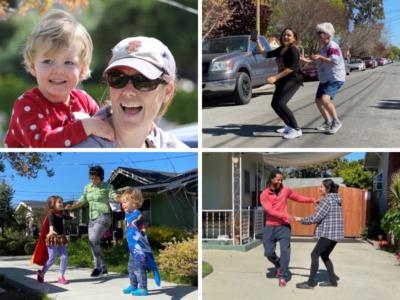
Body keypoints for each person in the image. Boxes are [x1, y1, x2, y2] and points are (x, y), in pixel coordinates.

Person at [4, 9, 114, 148]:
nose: (58, 70)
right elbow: (43, 146)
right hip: (27, 169)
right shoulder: (27, 105)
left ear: (82, 69)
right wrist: (84, 127)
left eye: (69, 62)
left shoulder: (84, 101)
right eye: (48, 61)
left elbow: (103, 130)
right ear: (32, 66)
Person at [72, 36, 189, 148]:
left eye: (143, 81)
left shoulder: (182, 155)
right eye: (118, 78)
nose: (128, 91)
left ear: (167, 92)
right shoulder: (74, 150)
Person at [260, 169, 318, 287]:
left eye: (282, 180)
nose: (280, 182)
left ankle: (282, 276)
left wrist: (312, 200)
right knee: (268, 253)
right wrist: (287, 215)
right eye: (278, 180)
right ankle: (278, 264)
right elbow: (270, 211)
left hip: (284, 227)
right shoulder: (264, 195)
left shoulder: (285, 190)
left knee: (285, 252)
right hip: (270, 226)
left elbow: (297, 198)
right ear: (272, 179)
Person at [65, 165, 119, 277]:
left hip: (104, 215)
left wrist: (119, 197)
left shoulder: (108, 186)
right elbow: (82, 199)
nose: (94, 181)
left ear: (101, 177)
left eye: (96, 179)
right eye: (92, 178)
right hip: (92, 218)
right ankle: (103, 268)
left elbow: (113, 195)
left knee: (94, 238)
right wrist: (72, 206)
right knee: (93, 242)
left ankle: (97, 267)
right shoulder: (87, 187)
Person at [252, 28, 304, 139]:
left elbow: (291, 68)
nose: (286, 37)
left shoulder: (293, 50)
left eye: (289, 35)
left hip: (293, 79)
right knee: (274, 104)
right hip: (283, 79)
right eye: (284, 35)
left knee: (281, 103)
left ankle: (296, 129)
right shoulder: (282, 48)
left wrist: (275, 77)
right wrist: (257, 43)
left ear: (294, 38)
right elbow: (266, 54)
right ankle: (289, 125)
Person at [294, 179, 344, 289]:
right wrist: (319, 207)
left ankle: (310, 283)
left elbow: (316, 218)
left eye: (321, 187)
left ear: (328, 189)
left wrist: (300, 219)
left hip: (328, 233)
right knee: (324, 255)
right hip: (335, 234)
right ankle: (333, 281)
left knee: (314, 254)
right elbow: (327, 214)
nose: (319, 188)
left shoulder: (327, 199)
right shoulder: (336, 199)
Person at [302, 23, 345, 134]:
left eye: (320, 32)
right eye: (317, 32)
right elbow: (318, 62)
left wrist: (320, 57)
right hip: (325, 79)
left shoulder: (332, 46)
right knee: (318, 100)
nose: (318, 34)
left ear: (327, 34)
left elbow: (333, 61)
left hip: (334, 77)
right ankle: (327, 122)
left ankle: (336, 121)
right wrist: (306, 60)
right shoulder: (322, 49)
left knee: (325, 100)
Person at [119, 189, 160, 296]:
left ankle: (143, 288)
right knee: (131, 267)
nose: (122, 205)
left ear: (134, 203)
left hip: (138, 248)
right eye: (122, 202)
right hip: (132, 247)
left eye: (125, 202)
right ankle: (133, 285)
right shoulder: (130, 214)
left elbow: (135, 226)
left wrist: (131, 231)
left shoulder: (137, 215)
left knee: (139, 267)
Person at [31, 196, 74, 284]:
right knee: (52, 259)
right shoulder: (51, 214)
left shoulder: (60, 214)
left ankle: (61, 276)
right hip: (53, 238)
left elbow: (66, 217)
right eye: (59, 202)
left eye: (62, 202)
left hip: (61, 238)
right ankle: (42, 273)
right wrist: (51, 230)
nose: (61, 203)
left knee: (64, 257)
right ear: (52, 204)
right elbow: (51, 222)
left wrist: (71, 217)